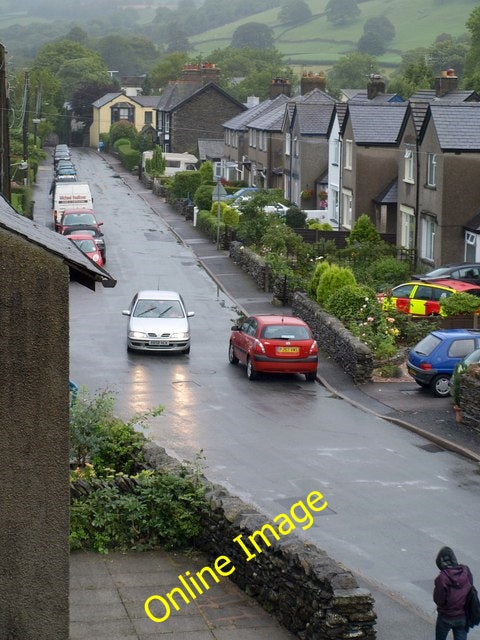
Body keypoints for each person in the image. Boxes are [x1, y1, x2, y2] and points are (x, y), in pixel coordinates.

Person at [434, 546, 473, 640]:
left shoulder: (442, 578)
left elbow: (438, 600)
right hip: (462, 616)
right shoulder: (466, 571)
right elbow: (470, 589)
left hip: (446, 617)